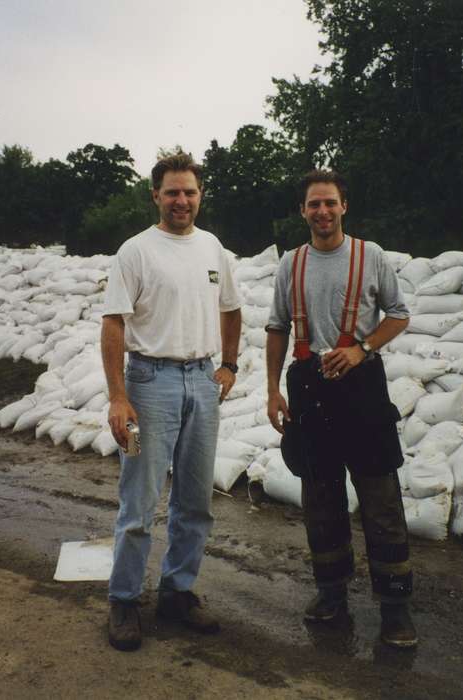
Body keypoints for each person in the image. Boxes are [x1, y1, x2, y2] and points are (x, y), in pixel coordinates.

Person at [265, 169, 417, 648]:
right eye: (314, 204)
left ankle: (395, 610)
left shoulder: (369, 255)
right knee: (321, 501)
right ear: (303, 211)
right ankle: (331, 594)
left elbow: (398, 314)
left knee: (381, 501)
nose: (323, 212)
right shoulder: (290, 264)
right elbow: (276, 328)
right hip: (310, 391)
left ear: (344, 207)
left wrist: (363, 349)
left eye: (330, 203)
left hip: (362, 388)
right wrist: (272, 390)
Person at [101, 151, 242, 652]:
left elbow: (231, 308)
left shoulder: (213, 248)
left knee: (195, 501)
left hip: (202, 382)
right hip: (150, 382)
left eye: (190, 192)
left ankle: (177, 593)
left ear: (200, 196)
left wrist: (229, 365)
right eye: (172, 192)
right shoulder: (136, 251)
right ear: (155, 195)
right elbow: (114, 323)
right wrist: (119, 397)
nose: (181, 200)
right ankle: (123, 601)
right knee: (139, 502)